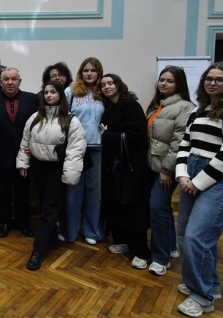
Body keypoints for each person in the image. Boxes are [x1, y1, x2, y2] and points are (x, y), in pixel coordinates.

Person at [175, 62, 223, 317]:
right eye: (209, 78)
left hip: (217, 180)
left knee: (198, 238)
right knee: (184, 235)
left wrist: (197, 183)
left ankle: (202, 297)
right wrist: (182, 174)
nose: (212, 83)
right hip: (191, 173)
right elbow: (185, 144)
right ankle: (210, 285)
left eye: (219, 79)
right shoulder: (200, 110)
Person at [17, 81, 86, 270]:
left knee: (49, 209)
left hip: (57, 169)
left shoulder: (71, 120)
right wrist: (23, 162)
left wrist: (70, 175)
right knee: (42, 205)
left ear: (60, 95)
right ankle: (52, 240)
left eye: (53, 92)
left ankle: (38, 250)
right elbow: (25, 141)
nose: (48, 95)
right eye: (46, 92)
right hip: (38, 167)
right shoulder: (35, 118)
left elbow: (76, 149)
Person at [142, 67, 194, 276]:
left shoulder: (185, 108)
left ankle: (160, 258)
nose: (163, 83)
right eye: (161, 80)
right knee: (161, 208)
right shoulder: (158, 105)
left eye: (169, 81)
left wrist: (166, 170)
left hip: (166, 169)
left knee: (157, 208)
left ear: (179, 84)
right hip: (152, 165)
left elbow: (178, 143)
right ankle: (170, 247)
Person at [99, 74, 150, 269]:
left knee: (133, 206)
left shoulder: (131, 105)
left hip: (131, 165)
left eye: (110, 83)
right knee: (117, 201)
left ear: (119, 85)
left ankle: (141, 252)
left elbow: (137, 134)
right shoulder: (108, 107)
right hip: (114, 164)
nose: (107, 87)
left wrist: (108, 135)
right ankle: (124, 241)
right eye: (103, 85)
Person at [0, 68, 39, 238]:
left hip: (25, 155)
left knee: (23, 191)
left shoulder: (32, 99)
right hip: (1, 156)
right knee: (3, 192)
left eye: (13, 79)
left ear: (19, 81)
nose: (10, 82)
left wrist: (34, 148)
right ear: (0, 82)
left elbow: (38, 126)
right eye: (6, 79)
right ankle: (5, 222)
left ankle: (23, 223)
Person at [60, 57, 105, 244]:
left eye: (93, 70)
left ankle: (91, 231)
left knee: (94, 192)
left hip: (97, 149)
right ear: (80, 72)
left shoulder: (103, 91)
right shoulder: (70, 91)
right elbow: (62, 116)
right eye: (86, 70)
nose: (89, 73)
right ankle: (69, 232)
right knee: (73, 191)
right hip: (76, 148)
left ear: (99, 73)